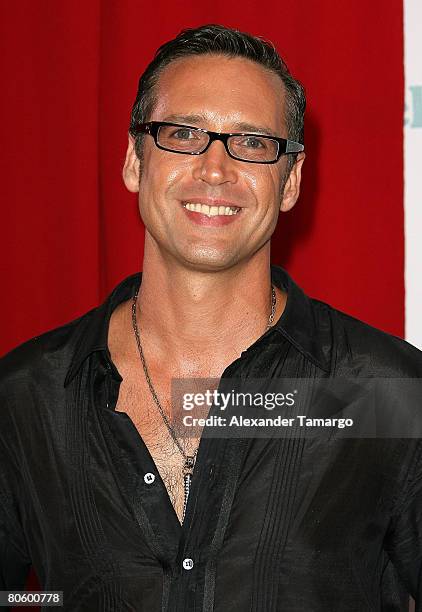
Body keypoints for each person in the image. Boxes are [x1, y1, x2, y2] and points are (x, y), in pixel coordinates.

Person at [1, 24, 421, 612]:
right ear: (133, 161)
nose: (215, 169)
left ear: (291, 181)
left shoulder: (387, 392)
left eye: (251, 142)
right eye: (183, 133)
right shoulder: (25, 397)